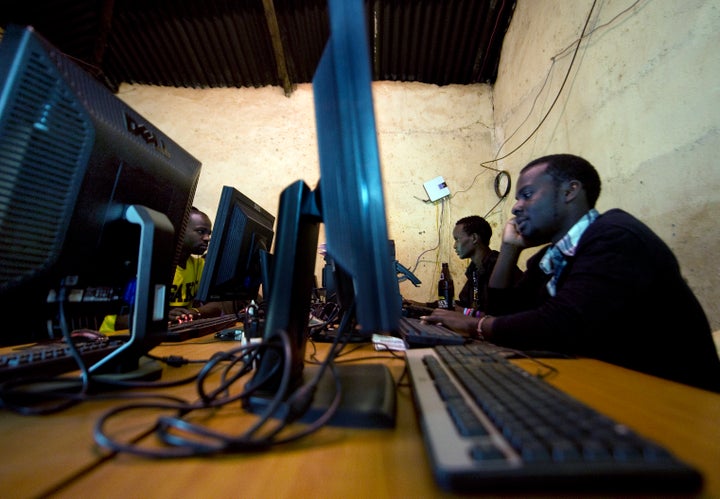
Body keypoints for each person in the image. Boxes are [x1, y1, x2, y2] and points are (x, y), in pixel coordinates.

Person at [423, 154, 720, 392]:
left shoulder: (614, 236)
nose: (515, 207)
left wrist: (476, 326)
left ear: (570, 191)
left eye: (527, 194)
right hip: (611, 389)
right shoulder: (549, 256)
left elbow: (563, 322)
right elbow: (504, 312)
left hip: (676, 400)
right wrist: (510, 248)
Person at [99, 207, 222, 331]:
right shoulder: (148, 263)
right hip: (116, 337)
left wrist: (194, 312)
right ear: (180, 229)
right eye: (201, 231)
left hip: (166, 334)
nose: (207, 238)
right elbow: (119, 321)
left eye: (209, 233)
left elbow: (216, 306)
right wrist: (160, 317)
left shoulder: (199, 265)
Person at [452, 215, 521, 316]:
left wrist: (464, 312)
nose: (454, 246)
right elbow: (465, 304)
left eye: (457, 239)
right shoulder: (474, 270)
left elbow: (499, 316)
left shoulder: (499, 267)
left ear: (474, 238)